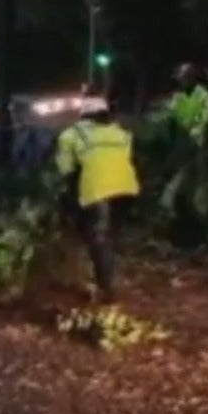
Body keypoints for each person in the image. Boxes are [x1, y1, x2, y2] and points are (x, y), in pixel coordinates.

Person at [53, 99, 140, 304]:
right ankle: (108, 276)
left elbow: (66, 171)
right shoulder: (121, 133)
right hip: (127, 189)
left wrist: (67, 200)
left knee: (97, 238)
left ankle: (106, 288)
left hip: (98, 190)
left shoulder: (71, 134)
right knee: (109, 235)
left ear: (82, 116)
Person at [169, 62, 208, 145]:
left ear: (191, 79)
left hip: (202, 137)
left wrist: (198, 128)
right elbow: (172, 115)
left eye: (184, 79)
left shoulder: (202, 94)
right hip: (184, 137)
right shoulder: (178, 97)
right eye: (180, 80)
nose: (181, 82)